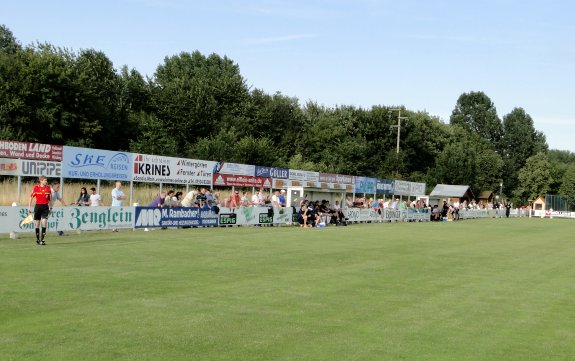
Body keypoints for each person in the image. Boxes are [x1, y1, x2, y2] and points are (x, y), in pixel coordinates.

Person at [28, 176, 51, 245]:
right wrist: (29, 207)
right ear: (41, 181)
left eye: (46, 180)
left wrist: (50, 207)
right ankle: (38, 239)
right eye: (44, 180)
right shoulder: (36, 188)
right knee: (37, 223)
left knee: (44, 222)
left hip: (45, 207)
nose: (46, 181)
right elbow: (31, 197)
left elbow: (49, 199)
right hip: (38, 206)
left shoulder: (48, 188)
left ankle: (43, 240)